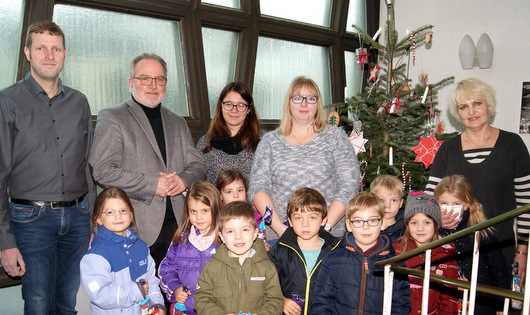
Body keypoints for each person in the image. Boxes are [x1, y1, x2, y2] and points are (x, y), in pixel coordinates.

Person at [0, 21, 95, 314]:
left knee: (68, 302)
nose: (49, 55)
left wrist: (91, 219)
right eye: (41, 48)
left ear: (64, 53)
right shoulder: (8, 101)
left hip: (78, 218)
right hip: (31, 220)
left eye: (56, 49)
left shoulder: (79, 102)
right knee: (38, 305)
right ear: (28, 52)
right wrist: (5, 241)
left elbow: (87, 165)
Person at [89, 53, 206, 268]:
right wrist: (153, 185)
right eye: (145, 78)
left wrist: (183, 179)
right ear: (131, 82)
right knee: (143, 299)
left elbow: (198, 165)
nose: (153, 85)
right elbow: (103, 171)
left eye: (159, 79)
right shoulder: (113, 117)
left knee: (180, 297)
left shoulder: (177, 122)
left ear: (166, 83)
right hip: (137, 230)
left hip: (180, 231)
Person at [425, 78, 530, 279]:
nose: (471, 112)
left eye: (477, 103)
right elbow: (430, 198)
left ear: (488, 104)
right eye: (464, 107)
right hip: (453, 249)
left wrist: (522, 251)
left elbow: (526, 205)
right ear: (458, 114)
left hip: (501, 248)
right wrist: (437, 218)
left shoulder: (513, 145)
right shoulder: (447, 149)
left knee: (497, 308)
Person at [249, 76, 360, 243]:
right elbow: (258, 189)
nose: (304, 104)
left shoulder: (336, 137)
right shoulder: (270, 141)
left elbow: (349, 185)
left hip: (329, 236)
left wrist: (324, 227)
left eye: (311, 98)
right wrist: (281, 230)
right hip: (279, 238)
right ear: (288, 103)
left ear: (318, 104)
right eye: (297, 98)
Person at [311, 191, 410, 314]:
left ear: (383, 223)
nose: (365, 227)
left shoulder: (394, 264)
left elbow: (401, 305)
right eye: (358, 221)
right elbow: (322, 302)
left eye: (372, 220)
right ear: (348, 224)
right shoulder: (333, 259)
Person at [80, 187, 166, 315]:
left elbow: (151, 280)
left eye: (123, 210)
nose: (118, 216)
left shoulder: (141, 247)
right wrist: (136, 291)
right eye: (110, 212)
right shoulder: (96, 256)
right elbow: (99, 294)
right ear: (98, 218)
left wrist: (157, 304)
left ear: (131, 215)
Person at [434, 175, 509, 314]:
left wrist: (501, 305)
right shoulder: (430, 231)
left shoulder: (481, 232)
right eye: (443, 203)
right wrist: (436, 226)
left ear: (466, 205)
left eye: (456, 204)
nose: (449, 208)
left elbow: (498, 269)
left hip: (479, 302)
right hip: (443, 304)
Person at [194, 201, 284, 315]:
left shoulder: (267, 268)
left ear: (255, 233)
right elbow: (201, 299)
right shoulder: (212, 268)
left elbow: (275, 301)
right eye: (230, 231)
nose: (238, 236)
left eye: (245, 230)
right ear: (222, 237)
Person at [268, 187, 341, 315]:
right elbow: (266, 283)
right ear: (289, 221)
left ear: (323, 219)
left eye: (312, 217)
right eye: (298, 218)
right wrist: (281, 300)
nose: (305, 224)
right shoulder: (280, 250)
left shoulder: (335, 252)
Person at [158, 181, 222, 315]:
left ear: (216, 209)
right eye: (193, 211)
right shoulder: (180, 240)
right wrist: (175, 288)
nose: (198, 217)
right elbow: (166, 270)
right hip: (186, 310)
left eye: (205, 211)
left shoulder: (224, 240)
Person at [393, 191, 459, 315]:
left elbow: (449, 300)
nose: (420, 228)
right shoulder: (396, 251)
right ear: (407, 225)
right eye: (414, 223)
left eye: (427, 222)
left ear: (435, 224)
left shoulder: (445, 254)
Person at [196, 82, 261, 184]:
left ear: (249, 109)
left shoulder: (264, 141)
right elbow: (199, 184)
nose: (234, 110)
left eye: (241, 105)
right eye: (228, 104)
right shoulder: (205, 143)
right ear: (221, 106)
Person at [370, 175, 405, 244]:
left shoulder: (406, 230)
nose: (387, 206)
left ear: (400, 203)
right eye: (381, 200)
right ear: (372, 200)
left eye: (394, 200)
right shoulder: (364, 227)